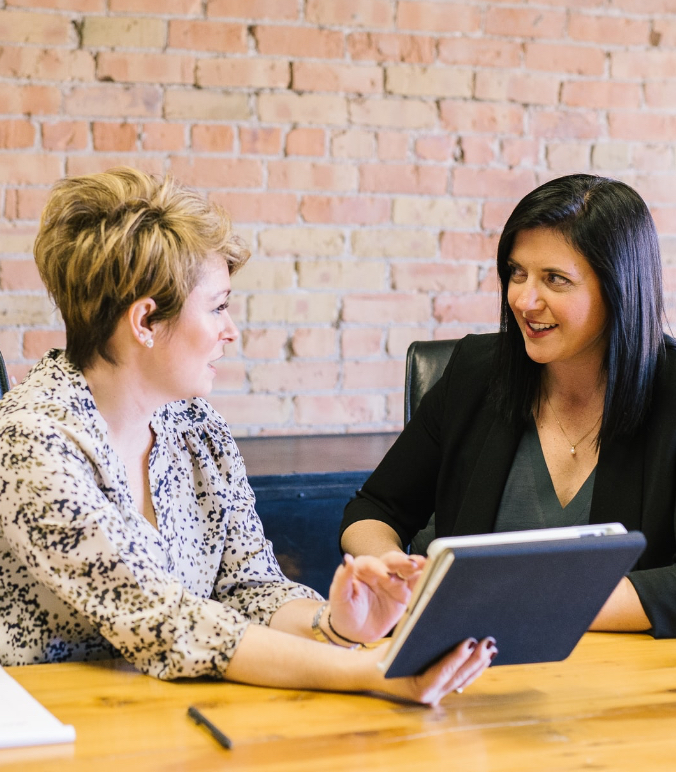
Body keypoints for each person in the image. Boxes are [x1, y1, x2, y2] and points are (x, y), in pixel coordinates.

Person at [0, 167, 495, 706]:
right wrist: (367, 671)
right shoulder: (30, 442)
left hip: (181, 713)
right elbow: (167, 623)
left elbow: (248, 590)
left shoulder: (196, 427)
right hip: (54, 729)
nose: (231, 329)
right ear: (145, 321)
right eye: (217, 306)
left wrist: (335, 625)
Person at [341, 173, 676, 639]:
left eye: (555, 279)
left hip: (626, 683)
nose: (523, 299)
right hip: (470, 670)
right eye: (517, 273)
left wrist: (531, 604)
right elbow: (374, 509)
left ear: (618, 286)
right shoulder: (476, 372)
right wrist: (390, 571)